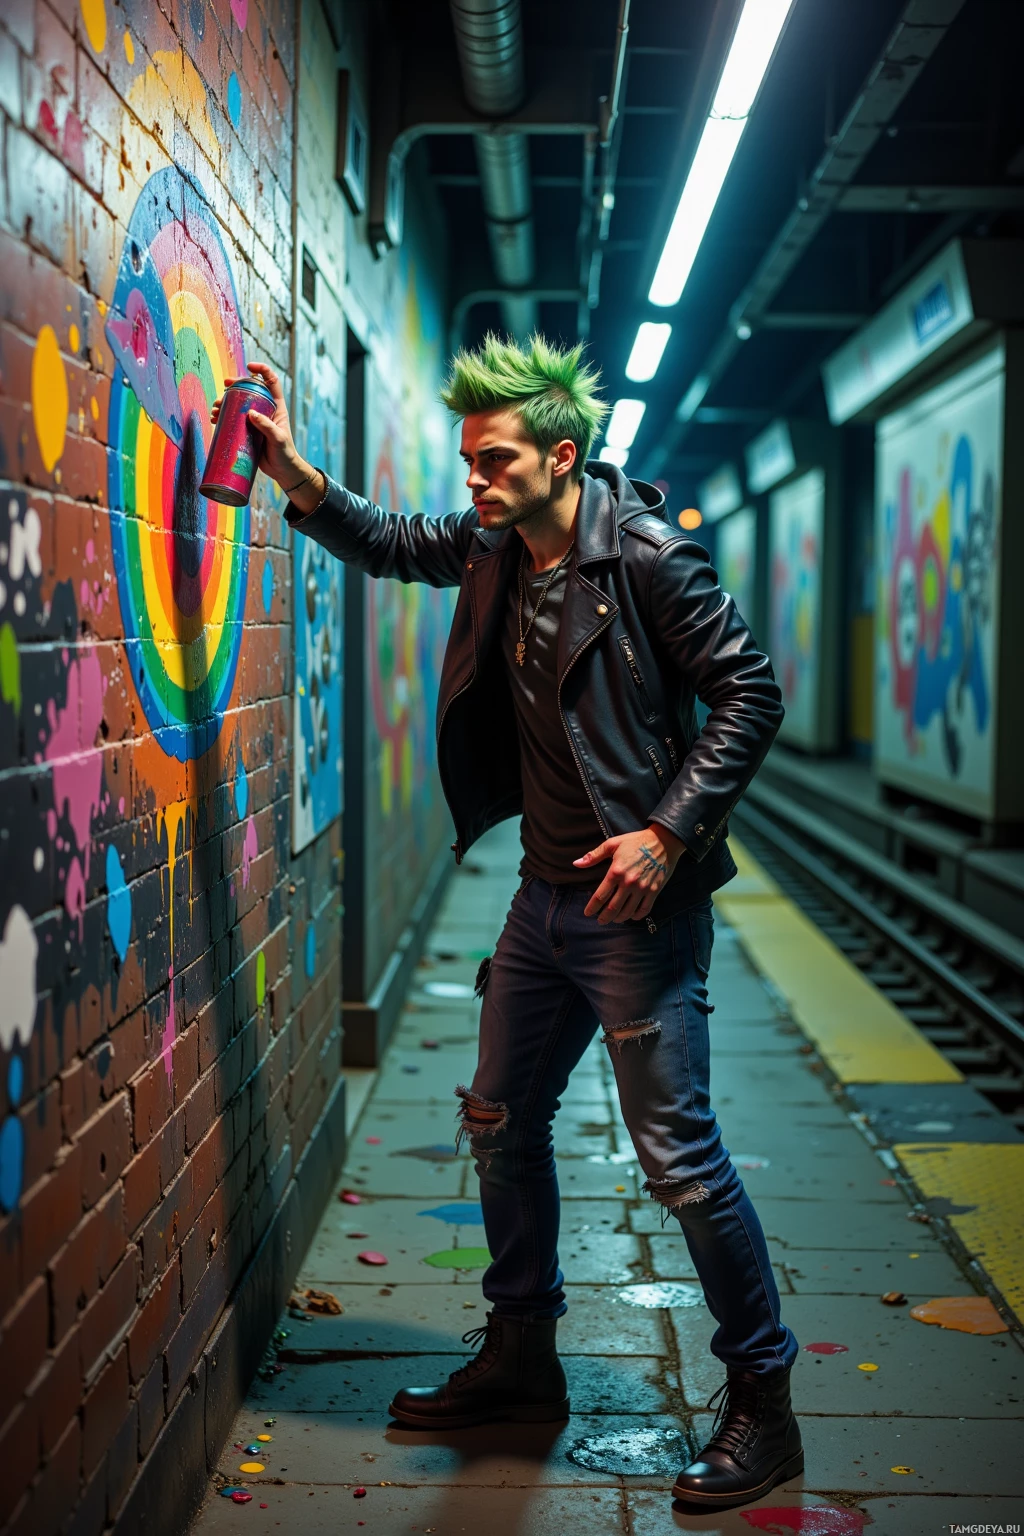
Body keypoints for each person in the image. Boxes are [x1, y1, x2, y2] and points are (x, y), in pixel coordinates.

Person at [212, 336, 801, 1513]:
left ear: (561, 458)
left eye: (494, 460)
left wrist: (668, 832)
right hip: (541, 903)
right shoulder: (492, 545)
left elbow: (750, 689)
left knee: (677, 1159)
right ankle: (522, 1358)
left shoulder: (646, 557)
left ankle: (763, 1405)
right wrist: (285, 470)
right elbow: (384, 540)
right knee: (499, 1120)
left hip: (635, 909)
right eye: (471, 461)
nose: (474, 481)